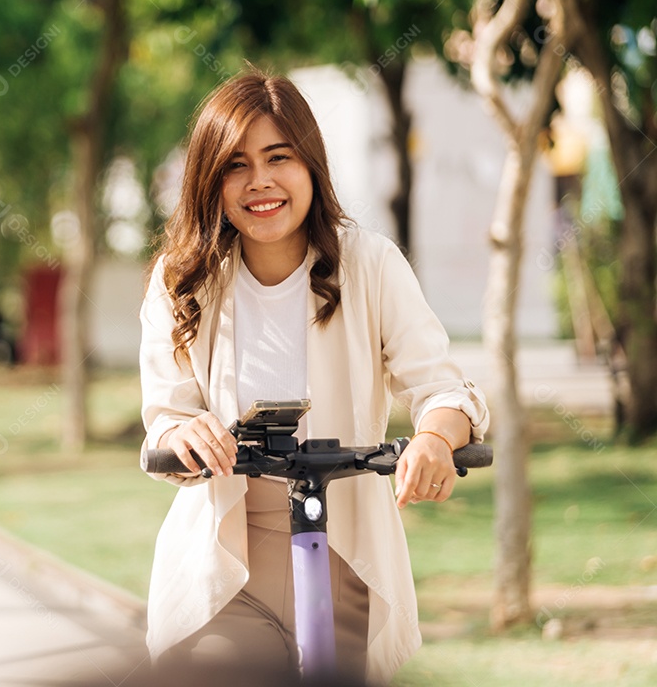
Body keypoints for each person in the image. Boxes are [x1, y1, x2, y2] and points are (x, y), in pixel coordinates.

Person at [137, 68, 489, 686]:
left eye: (279, 157)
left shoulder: (369, 263)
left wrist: (437, 438)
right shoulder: (182, 279)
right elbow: (166, 414)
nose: (261, 181)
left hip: (344, 553)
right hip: (226, 560)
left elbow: (442, 388)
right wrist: (182, 436)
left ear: (311, 166)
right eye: (235, 165)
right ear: (211, 182)